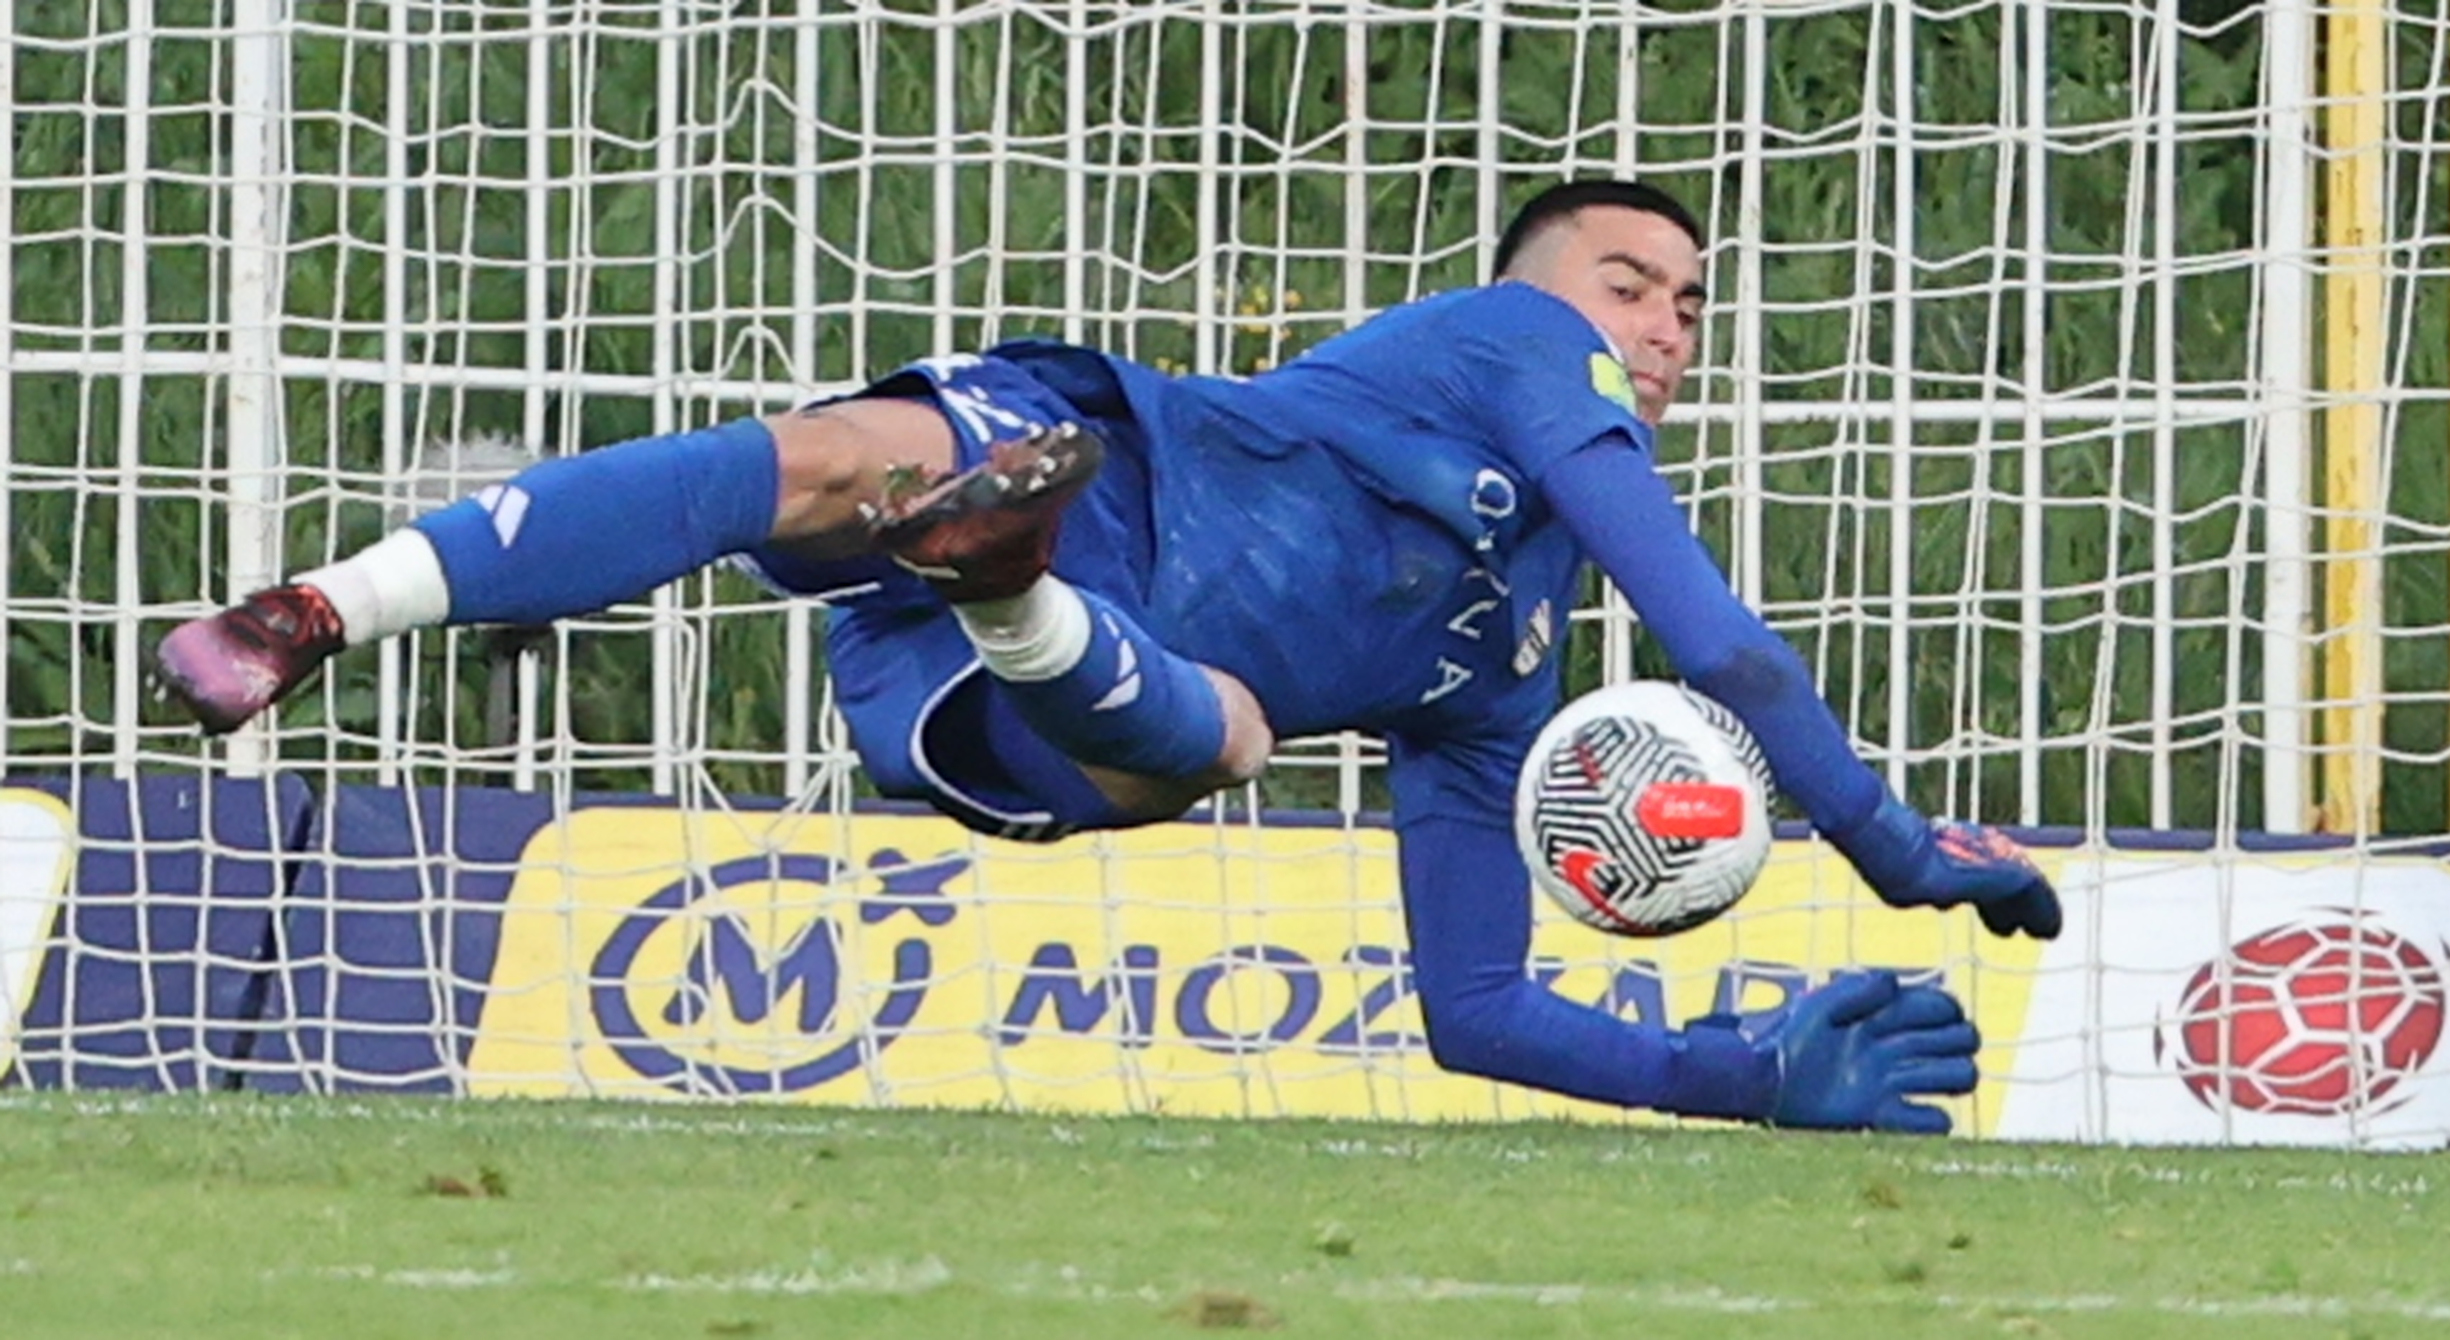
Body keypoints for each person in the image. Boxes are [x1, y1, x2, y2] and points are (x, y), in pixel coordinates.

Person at [156, 180, 2059, 1134]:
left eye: (1690, 308)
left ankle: (1010, 584)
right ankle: (329, 605)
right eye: (1623, 284)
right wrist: (1887, 844)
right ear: (1529, 293)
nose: (1660, 326)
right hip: (1102, 453)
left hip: (1020, 692)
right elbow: (1721, 644)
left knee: (1213, 741)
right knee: (843, 453)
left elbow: (1473, 1009)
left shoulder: (1502, 674)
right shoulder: (1504, 343)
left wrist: (1741, 1078)